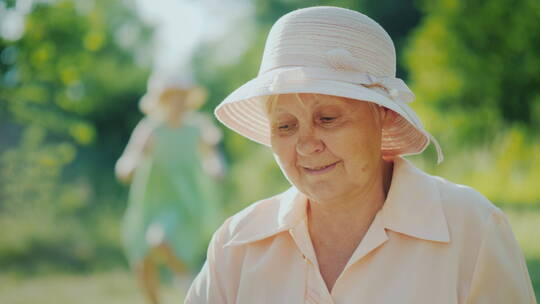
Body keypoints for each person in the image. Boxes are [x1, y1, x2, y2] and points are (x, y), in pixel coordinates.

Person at [184, 6, 536, 304]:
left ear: (383, 116)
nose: (307, 146)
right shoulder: (237, 244)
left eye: (328, 118)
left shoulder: (471, 229)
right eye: (286, 126)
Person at [115, 73, 224, 304]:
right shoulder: (151, 128)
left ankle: (190, 285)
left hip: (182, 200)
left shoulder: (197, 126)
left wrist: (215, 168)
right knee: (142, 262)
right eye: (171, 97)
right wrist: (129, 166)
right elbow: (132, 155)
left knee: (160, 240)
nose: (177, 102)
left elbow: (211, 156)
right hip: (150, 199)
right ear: (161, 101)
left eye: (182, 97)